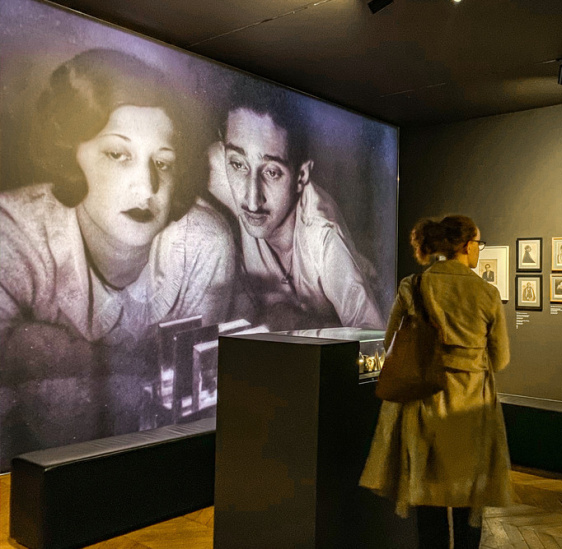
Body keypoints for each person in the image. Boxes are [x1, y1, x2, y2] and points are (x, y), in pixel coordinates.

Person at [0, 49, 236, 468]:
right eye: (118, 154)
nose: (145, 186)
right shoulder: (12, 236)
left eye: (163, 163)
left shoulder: (204, 243)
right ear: (71, 153)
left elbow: (190, 412)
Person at [360, 215, 511, 549]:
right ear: (464, 245)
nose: (479, 251)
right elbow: (500, 359)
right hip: (472, 410)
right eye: (478, 244)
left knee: (428, 507)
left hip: (424, 407)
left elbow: (390, 342)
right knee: (469, 505)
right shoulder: (487, 293)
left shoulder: (413, 286)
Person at [210, 80, 382, 330]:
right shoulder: (219, 166)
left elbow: (373, 339)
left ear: (301, 176)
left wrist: (295, 322)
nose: (251, 200)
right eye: (238, 164)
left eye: (272, 172)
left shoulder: (323, 237)